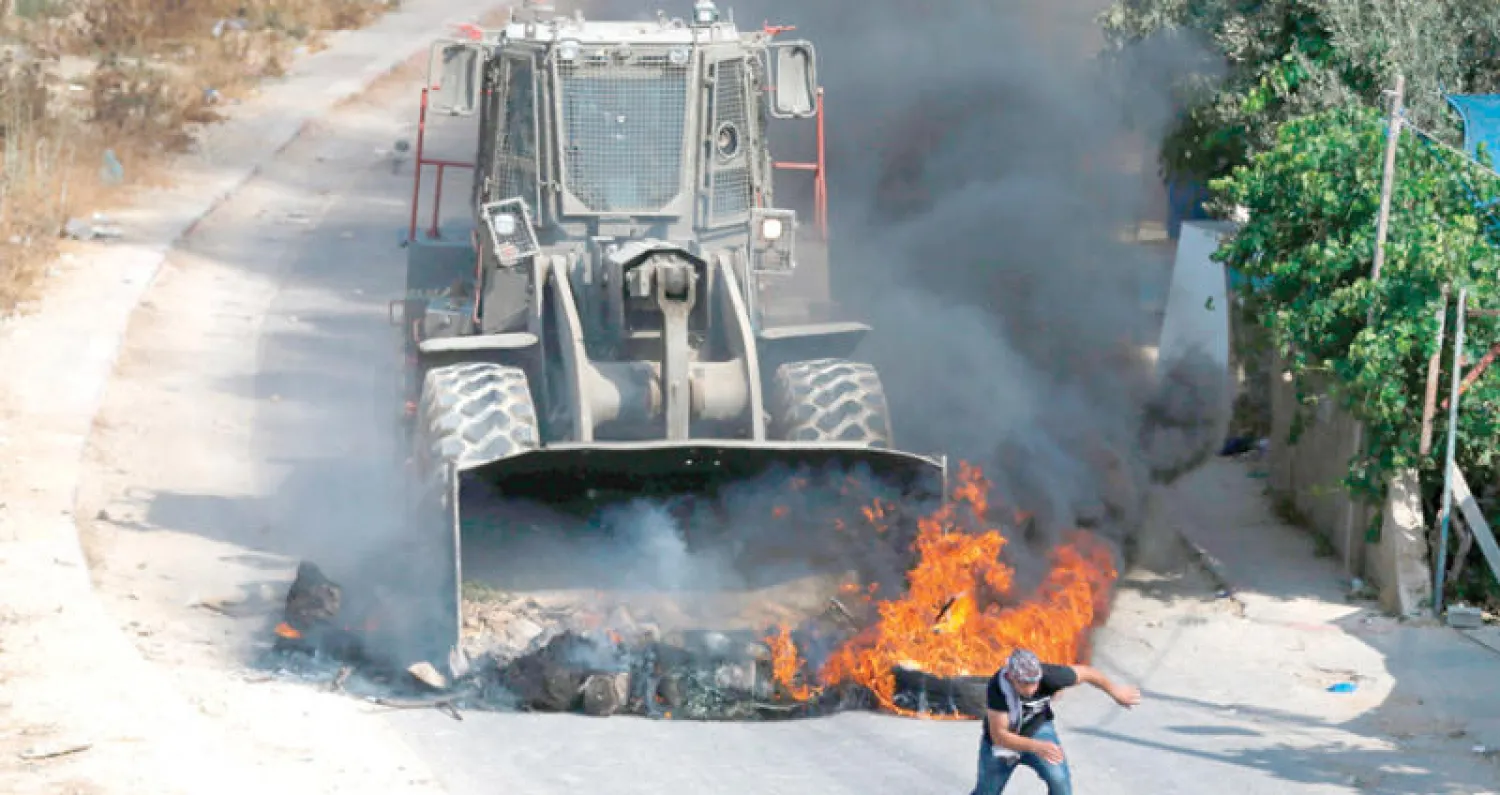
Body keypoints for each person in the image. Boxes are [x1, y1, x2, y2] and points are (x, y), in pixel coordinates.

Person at [970, 648, 1142, 795]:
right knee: (986, 791)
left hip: (1038, 730)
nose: (1030, 689)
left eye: (1034, 683)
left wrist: (1116, 691)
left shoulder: (1052, 675)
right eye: (1023, 684)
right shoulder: (999, 687)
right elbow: (1000, 736)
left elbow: (1089, 673)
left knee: (1060, 782)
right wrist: (1036, 746)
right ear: (1010, 677)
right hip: (1003, 743)